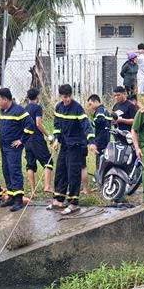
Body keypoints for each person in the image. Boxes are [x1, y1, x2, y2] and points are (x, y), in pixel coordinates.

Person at [49, 84, 97, 214]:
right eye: (65, 97)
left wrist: (91, 142)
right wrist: (56, 139)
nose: (67, 99)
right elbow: (57, 125)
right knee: (60, 171)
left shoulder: (77, 108)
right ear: (61, 96)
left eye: (69, 96)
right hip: (64, 144)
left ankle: (74, 204)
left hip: (76, 145)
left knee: (73, 174)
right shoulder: (58, 107)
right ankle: (59, 200)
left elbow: (86, 126)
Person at [0, 88, 34, 212]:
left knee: (14, 171)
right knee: (6, 170)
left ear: (6, 100)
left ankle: (18, 199)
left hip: (13, 147)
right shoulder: (3, 110)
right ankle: (11, 195)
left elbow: (30, 125)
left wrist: (21, 140)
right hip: (3, 146)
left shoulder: (19, 111)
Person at [24, 88, 54, 195]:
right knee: (48, 162)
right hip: (37, 139)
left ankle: (33, 190)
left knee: (30, 164)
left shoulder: (25, 109)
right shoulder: (37, 108)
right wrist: (48, 135)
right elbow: (38, 124)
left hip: (27, 139)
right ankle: (47, 186)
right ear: (37, 97)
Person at [87, 94, 111, 159]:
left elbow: (100, 120)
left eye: (90, 104)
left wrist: (92, 124)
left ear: (96, 102)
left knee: (100, 161)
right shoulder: (104, 110)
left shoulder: (99, 110)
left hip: (101, 141)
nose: (90, 107)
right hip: (106, 140)